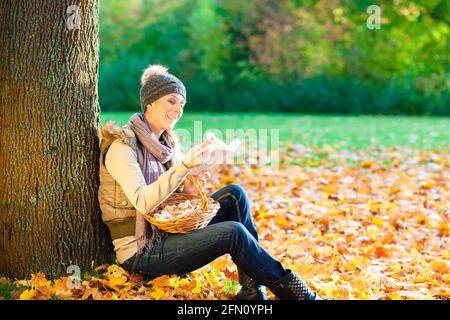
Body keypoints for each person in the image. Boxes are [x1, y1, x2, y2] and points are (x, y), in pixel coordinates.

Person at [97, 64, 321, 300]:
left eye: (182, 104)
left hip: (167, 233)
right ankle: (299, 295)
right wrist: (183, 167)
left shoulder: (167, 144)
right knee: (233, 233)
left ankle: (253, 290)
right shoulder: (123, 146)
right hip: (142, 250)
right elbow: (143, 202)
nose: (178, 109)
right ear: (150, 102)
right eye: (172, 101)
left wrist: (190, 188)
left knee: (234, 195)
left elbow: (171, 201)